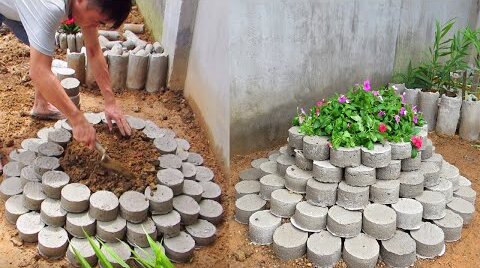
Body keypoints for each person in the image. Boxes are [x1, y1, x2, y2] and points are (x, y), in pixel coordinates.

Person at [0, 0, 133, 150]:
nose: (96, 27)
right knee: (41, 58)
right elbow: (38, 72)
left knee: (44, 47)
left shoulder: (83, 7)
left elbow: (94, 51)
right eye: (98, 21)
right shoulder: (51, 8)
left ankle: (41, 105)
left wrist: (110, 102)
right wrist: (77, 119)